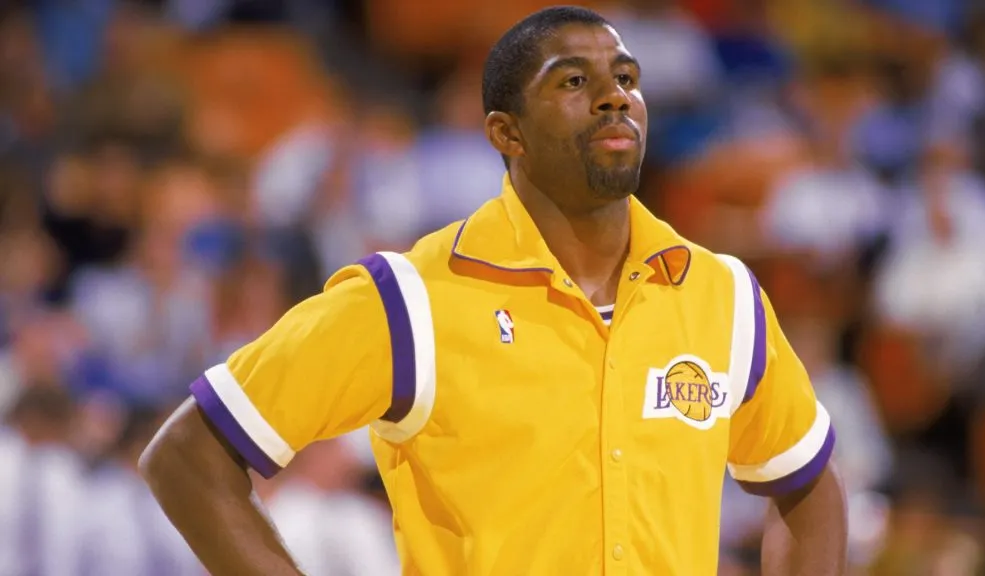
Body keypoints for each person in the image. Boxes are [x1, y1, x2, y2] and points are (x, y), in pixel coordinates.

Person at [140, 6, 848, 575]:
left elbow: (806, 484)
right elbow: (188, 456)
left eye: (626, 78)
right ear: (506, 132)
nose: (614, 97)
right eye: (573, 82)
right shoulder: (411, 300)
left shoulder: (718, 292)